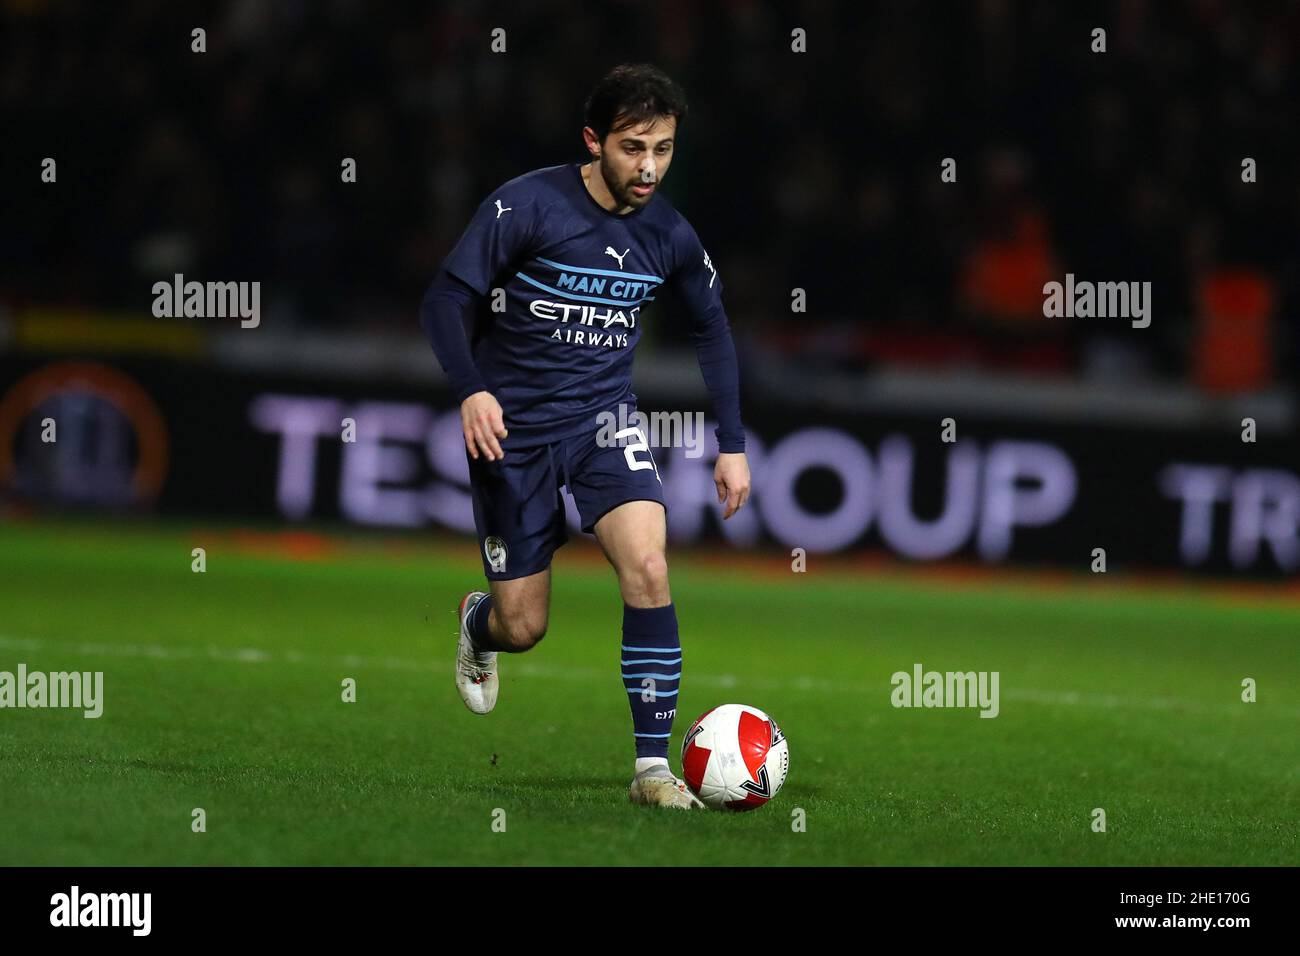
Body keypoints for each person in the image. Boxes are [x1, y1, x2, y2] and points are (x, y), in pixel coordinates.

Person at [419, 63, 750, 809]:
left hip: (605, 425)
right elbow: (445, 299)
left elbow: (713, 329)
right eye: (634, 147)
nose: (650, 167)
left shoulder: (669, 233)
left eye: (664, 149)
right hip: (515, 436)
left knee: (649, 568)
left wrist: (731, 442)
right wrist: (471, 389)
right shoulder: (527, 205)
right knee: (525, 625)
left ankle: (651, 772)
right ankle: (480, 622)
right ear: (593, 140)